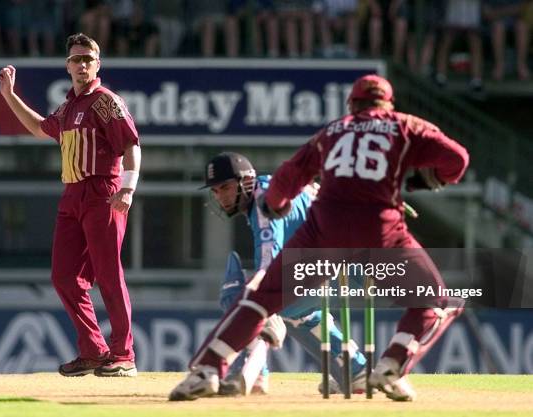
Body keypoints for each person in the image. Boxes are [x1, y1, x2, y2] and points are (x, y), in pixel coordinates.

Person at [169, 74, 469, 401]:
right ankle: (389, 365)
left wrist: (275, 205)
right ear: (388, 103)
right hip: (378, 229)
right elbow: (458, 160)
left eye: (224, 188)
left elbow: (289, 175)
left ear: (351, 104)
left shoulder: (332, 131)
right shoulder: (405, 125)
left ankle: (209, 368)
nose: (221, 196)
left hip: (325, 230)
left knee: (259, 297)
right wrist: (431, 179)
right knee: (435, 299)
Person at [0, 32, 141, 377]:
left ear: (97, 65)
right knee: (64, 277)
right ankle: (93, 350)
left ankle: (123, 355)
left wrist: (128, 187)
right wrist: (9, 96)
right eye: (76, 59)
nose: (81, 65)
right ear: (67, 65)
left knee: (108, 275)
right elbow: (39, 129)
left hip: (102, 191)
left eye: (87, 59)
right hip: (72, 194)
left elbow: (132, 145)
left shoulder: (106, 101)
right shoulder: (70, 105)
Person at [187, 152, 369, 397]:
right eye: (216, 191)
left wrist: (262, 309)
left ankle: (255, 372)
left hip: (348, 264)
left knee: (241, 296)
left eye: (226, 187)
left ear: (246, 181)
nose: (221, 197)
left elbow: (269, 264)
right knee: (299, 314)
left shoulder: (264, 203)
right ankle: (355, 371)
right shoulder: (271, 186)